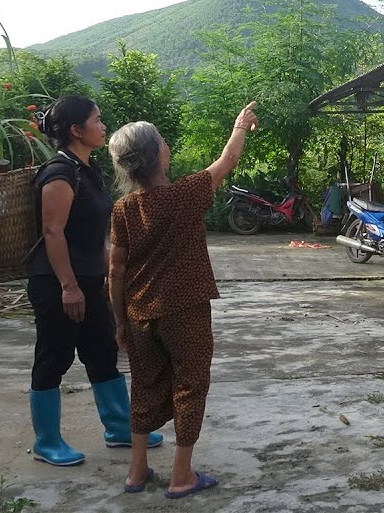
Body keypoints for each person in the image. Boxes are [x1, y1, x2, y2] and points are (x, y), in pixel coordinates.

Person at [106, 101, 258, 498]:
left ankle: (136, 472)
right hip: (185, 308)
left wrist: (119, 320)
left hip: (138, 312)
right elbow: (228, 160)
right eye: (162, 141)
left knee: (144, 385)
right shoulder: (186, 194)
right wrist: (239, 125)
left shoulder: (122, 209)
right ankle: (181, 476)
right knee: (190, 385)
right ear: (159, 154)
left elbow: (116, 270)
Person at [26, 95, 163, 467]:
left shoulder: (87, 169)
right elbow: (53, 233)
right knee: (54, 357)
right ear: (76, 130)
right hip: (56, 283)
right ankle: (46, 441)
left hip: (89, 280)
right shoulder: (59, 172)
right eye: (97, 120)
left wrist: (110, 275)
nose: (103, 127)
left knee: (102, 352)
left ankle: (119, 427)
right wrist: (69, 287)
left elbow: (91, 235)